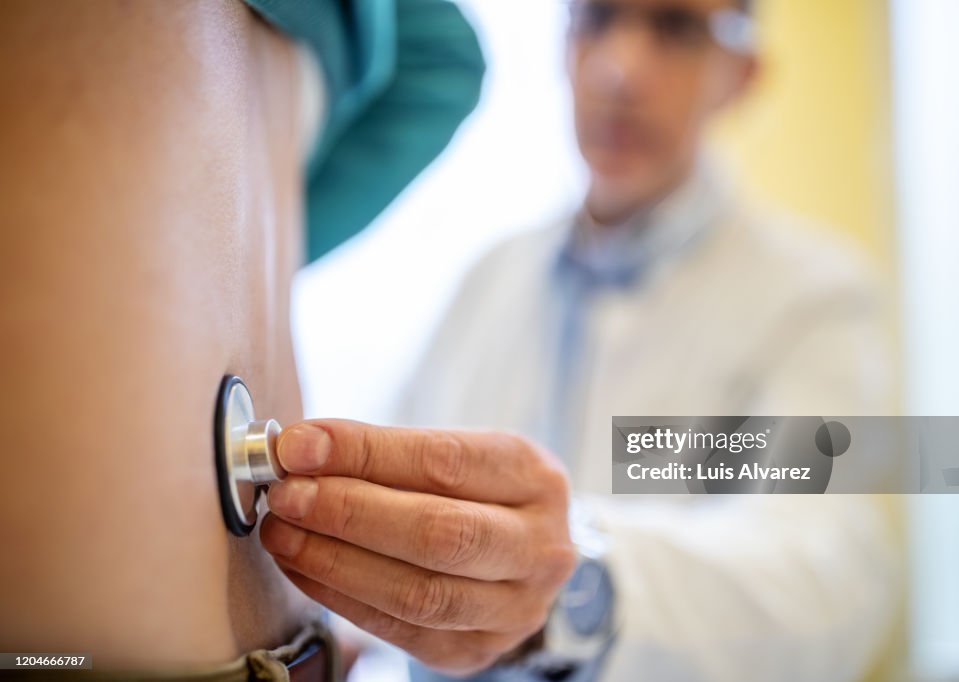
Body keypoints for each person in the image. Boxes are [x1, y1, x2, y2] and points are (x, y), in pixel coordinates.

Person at [0, 1, 576, 679]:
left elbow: (442, 61)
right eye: (598, 21)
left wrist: (191, 251)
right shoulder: (513, 268)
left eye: (677, 30)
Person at [394, 0, 906, 680]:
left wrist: (581, 588)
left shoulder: (815, 299)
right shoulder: (490, 279)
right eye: (598, 19)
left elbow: (825, 576)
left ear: (740, 75)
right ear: (564, 47)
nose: (620, 71)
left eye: (676, 29)